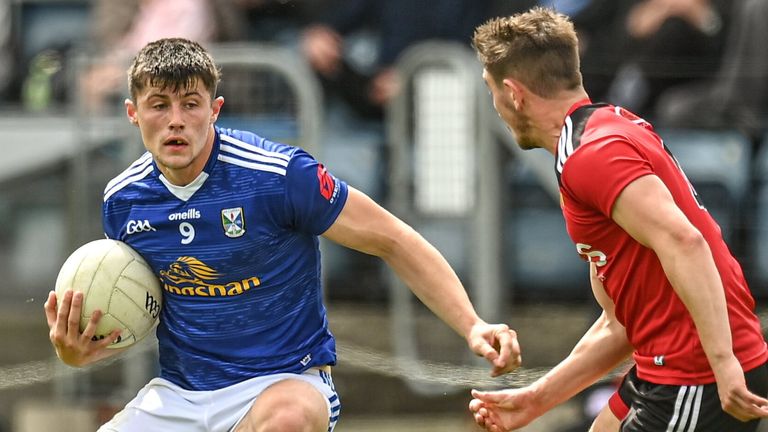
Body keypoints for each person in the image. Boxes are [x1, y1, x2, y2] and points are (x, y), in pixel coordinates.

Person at [43, 37, 521, 432]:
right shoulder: (123, 201)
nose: (175, 120)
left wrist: (473, 324)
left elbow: (392, 239)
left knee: (287, 422)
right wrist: (77, 351)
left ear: (215, 109)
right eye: (158, 105)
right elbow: (134, 308)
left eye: (191, 104)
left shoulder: (279, 175)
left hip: (284, 384)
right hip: (181, 394)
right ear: (132, 113)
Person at [468, 7, 768, 432]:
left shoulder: (593, 156)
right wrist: (537, 399)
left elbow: (685, 242)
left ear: (515, 94)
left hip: (695, 374)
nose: (494, 105)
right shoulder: (603, 129)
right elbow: (620, 323)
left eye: (492, 90)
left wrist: (723, 362)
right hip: (668, 366)